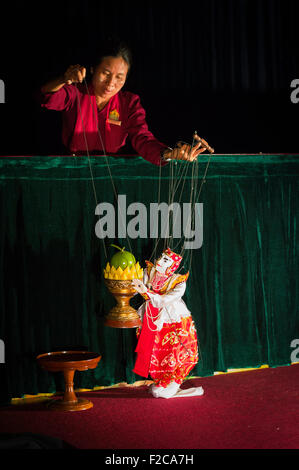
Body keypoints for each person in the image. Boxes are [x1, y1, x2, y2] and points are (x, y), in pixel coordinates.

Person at [39, 38, 211, 165]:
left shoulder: (129, 103)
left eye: (119, 77)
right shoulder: (75, 92)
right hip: (71, 171)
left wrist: (169, 153)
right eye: (105, 73)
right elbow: (47, 97)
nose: (111, 83)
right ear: (92, 69)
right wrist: (64, 79)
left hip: (112, 175)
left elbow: (142, 139)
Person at [132, 248, 204, 398]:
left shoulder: (179, 282)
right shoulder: (149, 272)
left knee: (177, 350)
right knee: (154, 350)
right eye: (161, 257)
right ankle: (159, 380)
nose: (159, 261)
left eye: (165, 260)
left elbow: (165, 300)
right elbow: (136, 287)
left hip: (173, 319)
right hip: (150, 317)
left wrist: (145, 292)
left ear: (172, 266)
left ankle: (173, 381)